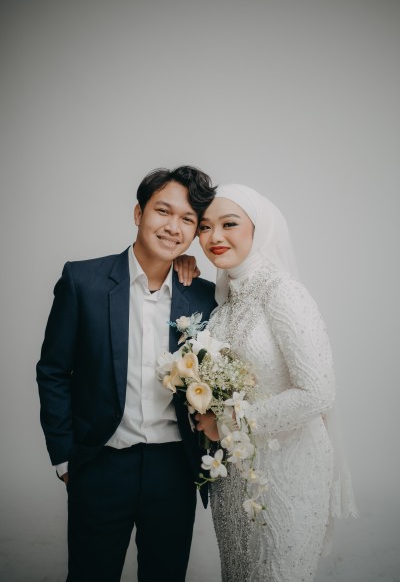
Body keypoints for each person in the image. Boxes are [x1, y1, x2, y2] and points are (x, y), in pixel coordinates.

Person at [36, 166, 217, 582]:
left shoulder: (204, 296)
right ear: (139, 213)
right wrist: (65, 458)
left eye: (187, 219)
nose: (173, 227)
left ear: (194, 232)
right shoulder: (83, 281)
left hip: (174, 469)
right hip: (100, 464)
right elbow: (53, 370)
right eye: (163, 211)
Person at [194, 184, 358, 582]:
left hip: (289, 472)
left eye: (229, 224)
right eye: (204, 226)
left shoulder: (284, 292)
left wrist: (226, 424)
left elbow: (318, 391)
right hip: (233, 478)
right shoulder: (224, 304)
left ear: (260, 227)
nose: (214, 237)